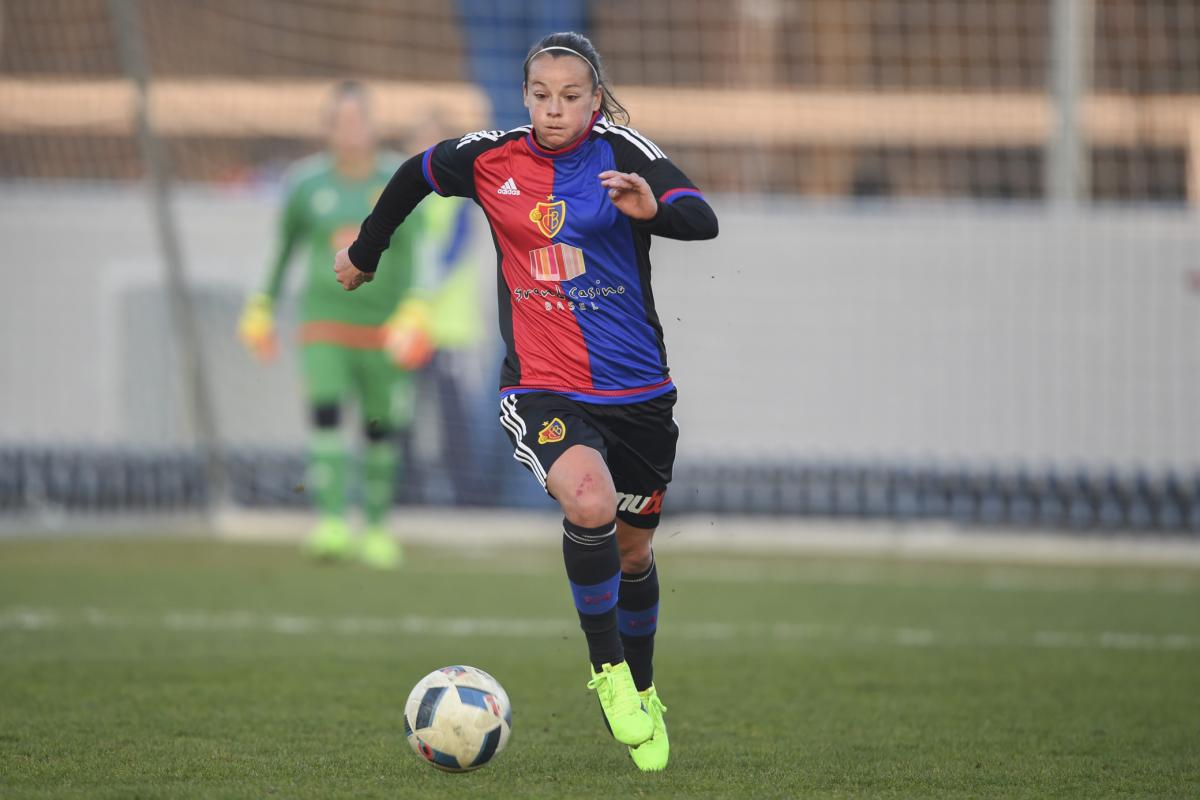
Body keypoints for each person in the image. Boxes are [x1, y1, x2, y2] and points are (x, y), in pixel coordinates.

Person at [334, 32, 718, 771]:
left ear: (594, 99)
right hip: (541, 384)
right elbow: (415, 173)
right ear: (525, 97)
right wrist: (367, 250)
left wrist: (651, 211)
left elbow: (700, 215)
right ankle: (607, 676)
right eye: (541, 95)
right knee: (588, 502)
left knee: (634, 553)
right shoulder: (491, 158)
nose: (554, 108)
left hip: (639, 394)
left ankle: (642, 685)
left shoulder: (622, 151)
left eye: (570, 96)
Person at [239, 80, 426, 570]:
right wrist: (262, 305)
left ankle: (378, 529)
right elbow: (282, 251)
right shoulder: (305, 184)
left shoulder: (398, 179)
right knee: (324, 410)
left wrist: (416, 308)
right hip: (324, 321)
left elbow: (415, 252)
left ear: (372, 125)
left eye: (357, 120)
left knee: (380, 427)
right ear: (328, 128)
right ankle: (331, 522)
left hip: (384, 326)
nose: (350, 130)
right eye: (340, 121)